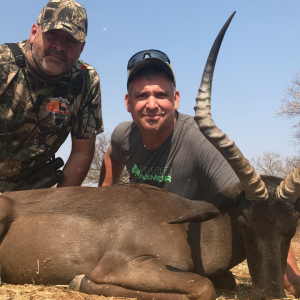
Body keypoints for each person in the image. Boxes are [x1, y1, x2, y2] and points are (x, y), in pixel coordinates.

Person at [99, 49, 300, 296]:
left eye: (161, 95)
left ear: (176, 99)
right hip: (139, 240)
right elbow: (112, 155)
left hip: (182, 246)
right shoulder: (123, 134)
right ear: (128, 103)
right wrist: (102, 201)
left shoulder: (200, 142)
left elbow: (260, 206)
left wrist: (290, 279)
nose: (152, 104)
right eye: (142, 95)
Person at [0, 0, 103, 192]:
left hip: (33, 191)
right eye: (52, 34)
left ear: (81, 48)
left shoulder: (87, 81)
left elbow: (82, 151)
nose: (60, 46)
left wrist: (56, 205)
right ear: (34, 33)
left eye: (71, 40)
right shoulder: (3, 64)